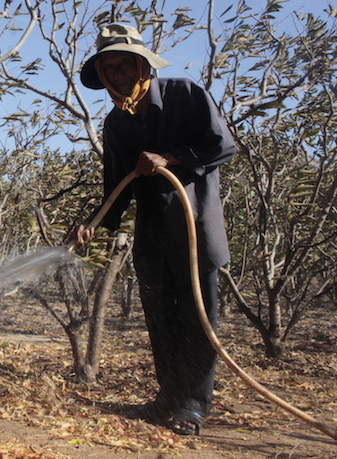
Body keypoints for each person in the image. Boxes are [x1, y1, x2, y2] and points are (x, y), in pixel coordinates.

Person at [68, 23, 237, 436]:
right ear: (103, 76)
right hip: (153, 237)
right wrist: (91, 224)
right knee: (160, 319)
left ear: (143, 65)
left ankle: (194, 406)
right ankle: (168, 398)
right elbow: (117, 189)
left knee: (198, 320)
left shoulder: (186, 95)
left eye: (126, 64)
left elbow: (223, 146)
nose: (120, 74)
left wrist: (170, 158)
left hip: (195, 229)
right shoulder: (117, 123)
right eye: (111, 68)